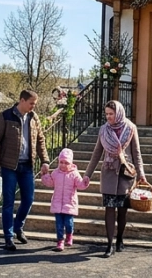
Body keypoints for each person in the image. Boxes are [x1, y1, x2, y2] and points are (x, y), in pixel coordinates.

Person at [0, 90, 50, 252]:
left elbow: (40, 140)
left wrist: (45, 161)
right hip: (9, 166)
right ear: (22, 100)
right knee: (8, 202)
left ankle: (18, 227)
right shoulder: (5, 116)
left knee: (28, 199)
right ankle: (8, 237)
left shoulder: (33, 117)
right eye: (31, 103)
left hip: (27, 166)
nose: (33, 106)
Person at [85, 101, 145, 258]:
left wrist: (141, 174)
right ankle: (109, 244)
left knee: (122, 212)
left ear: (118, 113)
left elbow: (136, 153)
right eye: (106, 114)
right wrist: (87, 174)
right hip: (109, 173)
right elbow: (97, 153)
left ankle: (120, 239)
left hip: (125, 174)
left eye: (111, 114)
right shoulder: (104, 130)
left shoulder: (131, 128)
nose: (109, 117)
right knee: (109, 209)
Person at [41, 148, 90, 252]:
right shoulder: (55, 173)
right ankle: (60, 241)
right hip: (57, 203)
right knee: (59, 224)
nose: (63, 165)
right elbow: (50, 183)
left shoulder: (74, 174)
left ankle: (69, 234)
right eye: (61, 162)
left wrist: (85, 182)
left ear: (71, 163)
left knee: (68, 223)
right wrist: (45, 176)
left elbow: (80, 185)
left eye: (66, 163)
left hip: (69, 203)